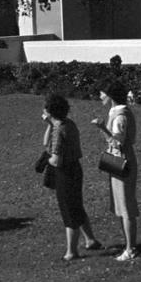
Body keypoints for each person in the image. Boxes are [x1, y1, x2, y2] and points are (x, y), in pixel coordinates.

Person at [42, 93, 102, 260]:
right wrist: (49, 123)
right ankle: (90, 239)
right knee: (77, 206)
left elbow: (57, 160)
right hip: (75, 169)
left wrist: (47, 160)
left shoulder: (59, 129)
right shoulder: (68, 124)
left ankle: (71, 251)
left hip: (65, 173)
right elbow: (46, 143)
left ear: (50, 111)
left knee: (69, 211)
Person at [91, 80, 140, 261]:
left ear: (110, 96)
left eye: (102, 93)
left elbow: (118, 143)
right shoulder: (115, 112)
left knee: (126, 206)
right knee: (120, 204)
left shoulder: (120, 116)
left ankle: (131, 248)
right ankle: (128, 245)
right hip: (118, 160)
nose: (100, 96)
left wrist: (102, 127)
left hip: (123, 161)